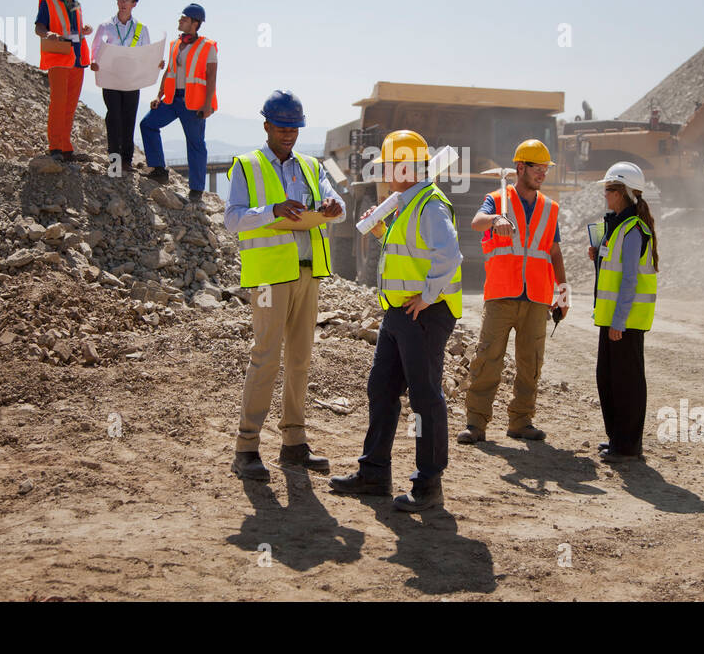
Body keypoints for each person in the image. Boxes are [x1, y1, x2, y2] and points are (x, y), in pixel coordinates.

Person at [330, 130, 462, 512]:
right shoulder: (407, 203)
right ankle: (374, 473)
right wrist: (380, 231)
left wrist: (429, 295)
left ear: (406, 166)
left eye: (389, 165)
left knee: (425, 398)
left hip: (423, 315)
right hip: (398, 313)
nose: (385, 173)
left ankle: (428, 484)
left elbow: (450, 255)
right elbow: (410, 251)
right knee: (381, 389)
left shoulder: (430, 204)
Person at [225, 91, 344, 482]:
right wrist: (272, 211)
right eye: (282, 127)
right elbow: (233, 219)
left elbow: (333, 200)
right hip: (268, 278)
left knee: (299, 359)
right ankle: (246, 448)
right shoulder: (247, 165)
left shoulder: (311, 165)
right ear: (266, 127)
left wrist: (332, 208)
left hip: (307, 273)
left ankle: (294, 443)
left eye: (295, 127)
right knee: (265, 358)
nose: (289, 134)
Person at [457, 139, 567, 444]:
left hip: (536, 298)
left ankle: (521, 421)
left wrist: (563, 293)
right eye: (537, 168)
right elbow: (477, 222)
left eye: (546, 168)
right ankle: (476, 424)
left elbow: (554, 253)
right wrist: (496, 219)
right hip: (501, 295)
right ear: (521, 168)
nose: (543, 174)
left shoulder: (550, 208)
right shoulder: (497, 200)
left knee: (530, 363)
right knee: (487, 359)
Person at [589, 161, 659, 463]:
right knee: (607, 379)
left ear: (622, 193)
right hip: (613, 320)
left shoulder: (632, 230)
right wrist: (597, 257)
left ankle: (628, 446)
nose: (605, 196)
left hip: (625, 322)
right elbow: (614, 272)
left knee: (626, 382)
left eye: (608, 190)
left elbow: (630, 279)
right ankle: (618, 439)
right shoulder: (617, 226)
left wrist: (619, 321)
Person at [139, 3, 216, 198]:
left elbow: (211, 76)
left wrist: (207, 105)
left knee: (195, 143)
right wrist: (159, 95)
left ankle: (196, 189)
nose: (180, 21)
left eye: (184, 18)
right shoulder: (174, 44)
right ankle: (158, 170)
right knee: (148, 124)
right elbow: (169, 72)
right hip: (172, 99)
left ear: (195, 23)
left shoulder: (207, 46)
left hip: (193, 103)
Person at [89, 0, 154, 170]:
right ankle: (114, 162)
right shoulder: (105, 26)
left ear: (134, 4)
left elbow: (147, 53)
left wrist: (154, 64)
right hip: (110, 78)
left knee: (128, 118)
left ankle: (126, 160)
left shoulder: (142, 29)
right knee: (114, 118)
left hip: (132, 79)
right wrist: (94, 62)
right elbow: (94, 50)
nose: (123, 2)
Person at [34, 0, 94, 161]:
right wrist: (48, 34)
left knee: (70, 105)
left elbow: (73, 29)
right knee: (58, 104)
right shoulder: (48, 1)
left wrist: (83, 30)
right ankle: (55, 147)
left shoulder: (76, 5)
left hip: (77, 59)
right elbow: (39, 27)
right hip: (59, 58)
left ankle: (66, 146)